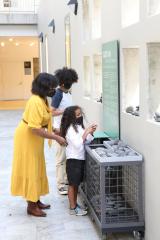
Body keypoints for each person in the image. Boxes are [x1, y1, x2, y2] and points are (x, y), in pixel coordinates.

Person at [11, 73, 67, 217]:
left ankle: (35, 200)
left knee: (37, 167)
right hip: (28, 138)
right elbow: (35, 128)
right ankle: (31, 205)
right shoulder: (35, 101)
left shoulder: (42, 99)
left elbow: (45, 116)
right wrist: (56, 137)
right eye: (51, 87)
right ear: (44, 87)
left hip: (34, 139)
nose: (53, 90)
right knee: (31, 169)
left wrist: (54, 129)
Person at [60, 106, 97, 216]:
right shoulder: (70, 129)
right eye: (77, 115)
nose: (80, 116)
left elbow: (88, 140)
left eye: (80, 114)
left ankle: (75, 204)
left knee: (76, 184)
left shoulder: (78, 127)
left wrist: (91, 132)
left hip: (80, 159)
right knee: (72, 184)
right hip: (73, 161)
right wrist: (86, 133)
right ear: (71, 117)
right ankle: (73, 208)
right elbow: (77, 144)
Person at [51, 67, 78, 195]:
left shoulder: (68, 93)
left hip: (69, 129)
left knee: (68, 157)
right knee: (61, 158)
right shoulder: (58, 94)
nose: (69, 86)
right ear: (62, 83)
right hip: (59, 130)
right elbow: (51, 112)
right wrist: (66, 111)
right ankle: (61, 184)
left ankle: (66, 181)